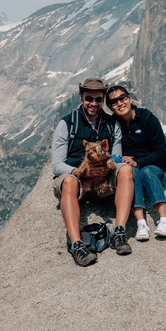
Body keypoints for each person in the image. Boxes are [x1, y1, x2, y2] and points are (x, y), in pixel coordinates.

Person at [51, 78, 134, 266]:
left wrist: (106, 167)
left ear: (103, 100)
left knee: (126, 170)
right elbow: (57, 165)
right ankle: (77, 245)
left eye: (98, 100)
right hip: (78, 178)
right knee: (69, 182)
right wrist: (81, 172)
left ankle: (119, 232)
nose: (93, 104)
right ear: (81, 97)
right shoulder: (67, 124)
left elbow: (117, 157)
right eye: (89, 98)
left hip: (104, 178)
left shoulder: (112, 124)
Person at [105, 85, 166, 241]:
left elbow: (161, 152)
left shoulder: (148, 119)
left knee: (147, 172)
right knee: (132, 173)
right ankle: (141, 223)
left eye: (122, 98)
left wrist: (138, 161)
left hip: (152, 163)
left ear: (129, 98)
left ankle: (164, 220)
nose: (119, 103)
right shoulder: (114, 125)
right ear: (111, 107)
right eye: (114, 102)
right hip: (129, 166)